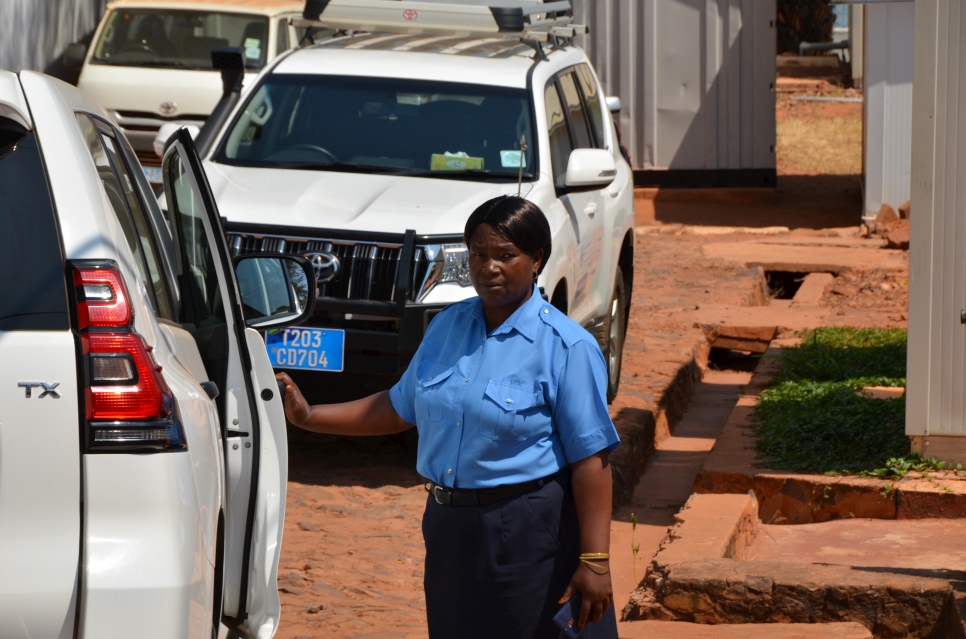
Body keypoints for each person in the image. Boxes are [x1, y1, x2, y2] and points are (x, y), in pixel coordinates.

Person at [276, 195, 620, 639]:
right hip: (448, 526)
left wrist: (595, 561)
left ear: (536, 260)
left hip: (525, 528)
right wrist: (309, 416)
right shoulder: (446, 326)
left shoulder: (566, 347)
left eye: (506, 255)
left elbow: (591, 459)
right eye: (478, 253)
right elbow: (400, 406)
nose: (489, 267)